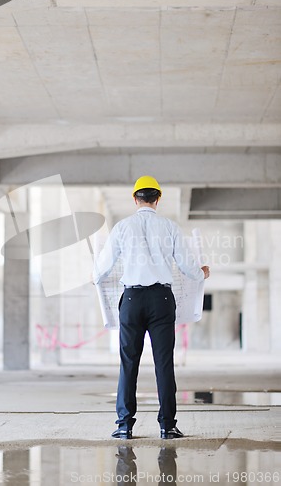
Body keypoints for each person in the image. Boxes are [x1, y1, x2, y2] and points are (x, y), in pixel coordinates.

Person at [93, 176, 210, 439]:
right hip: (161, 301)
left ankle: (124, 426)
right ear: (158, 199)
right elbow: (187, 266)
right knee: (164, 364)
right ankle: (167, 425)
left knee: (128, 363)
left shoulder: (122, 227)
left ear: (135, 199)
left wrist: (96, 277)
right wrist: (202, 273)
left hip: (132, 301)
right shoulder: (169, 226)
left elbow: (101, 268)